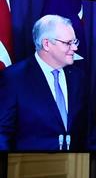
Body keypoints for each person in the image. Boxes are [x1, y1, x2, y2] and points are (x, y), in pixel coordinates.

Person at [0, 15, 89, 151]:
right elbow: (2, 134)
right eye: (67, 43)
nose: (75, 48)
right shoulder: (14, 78)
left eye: (75, 42)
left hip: (73, 165)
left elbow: (87, 128)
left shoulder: (78, 77)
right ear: (46, 44)